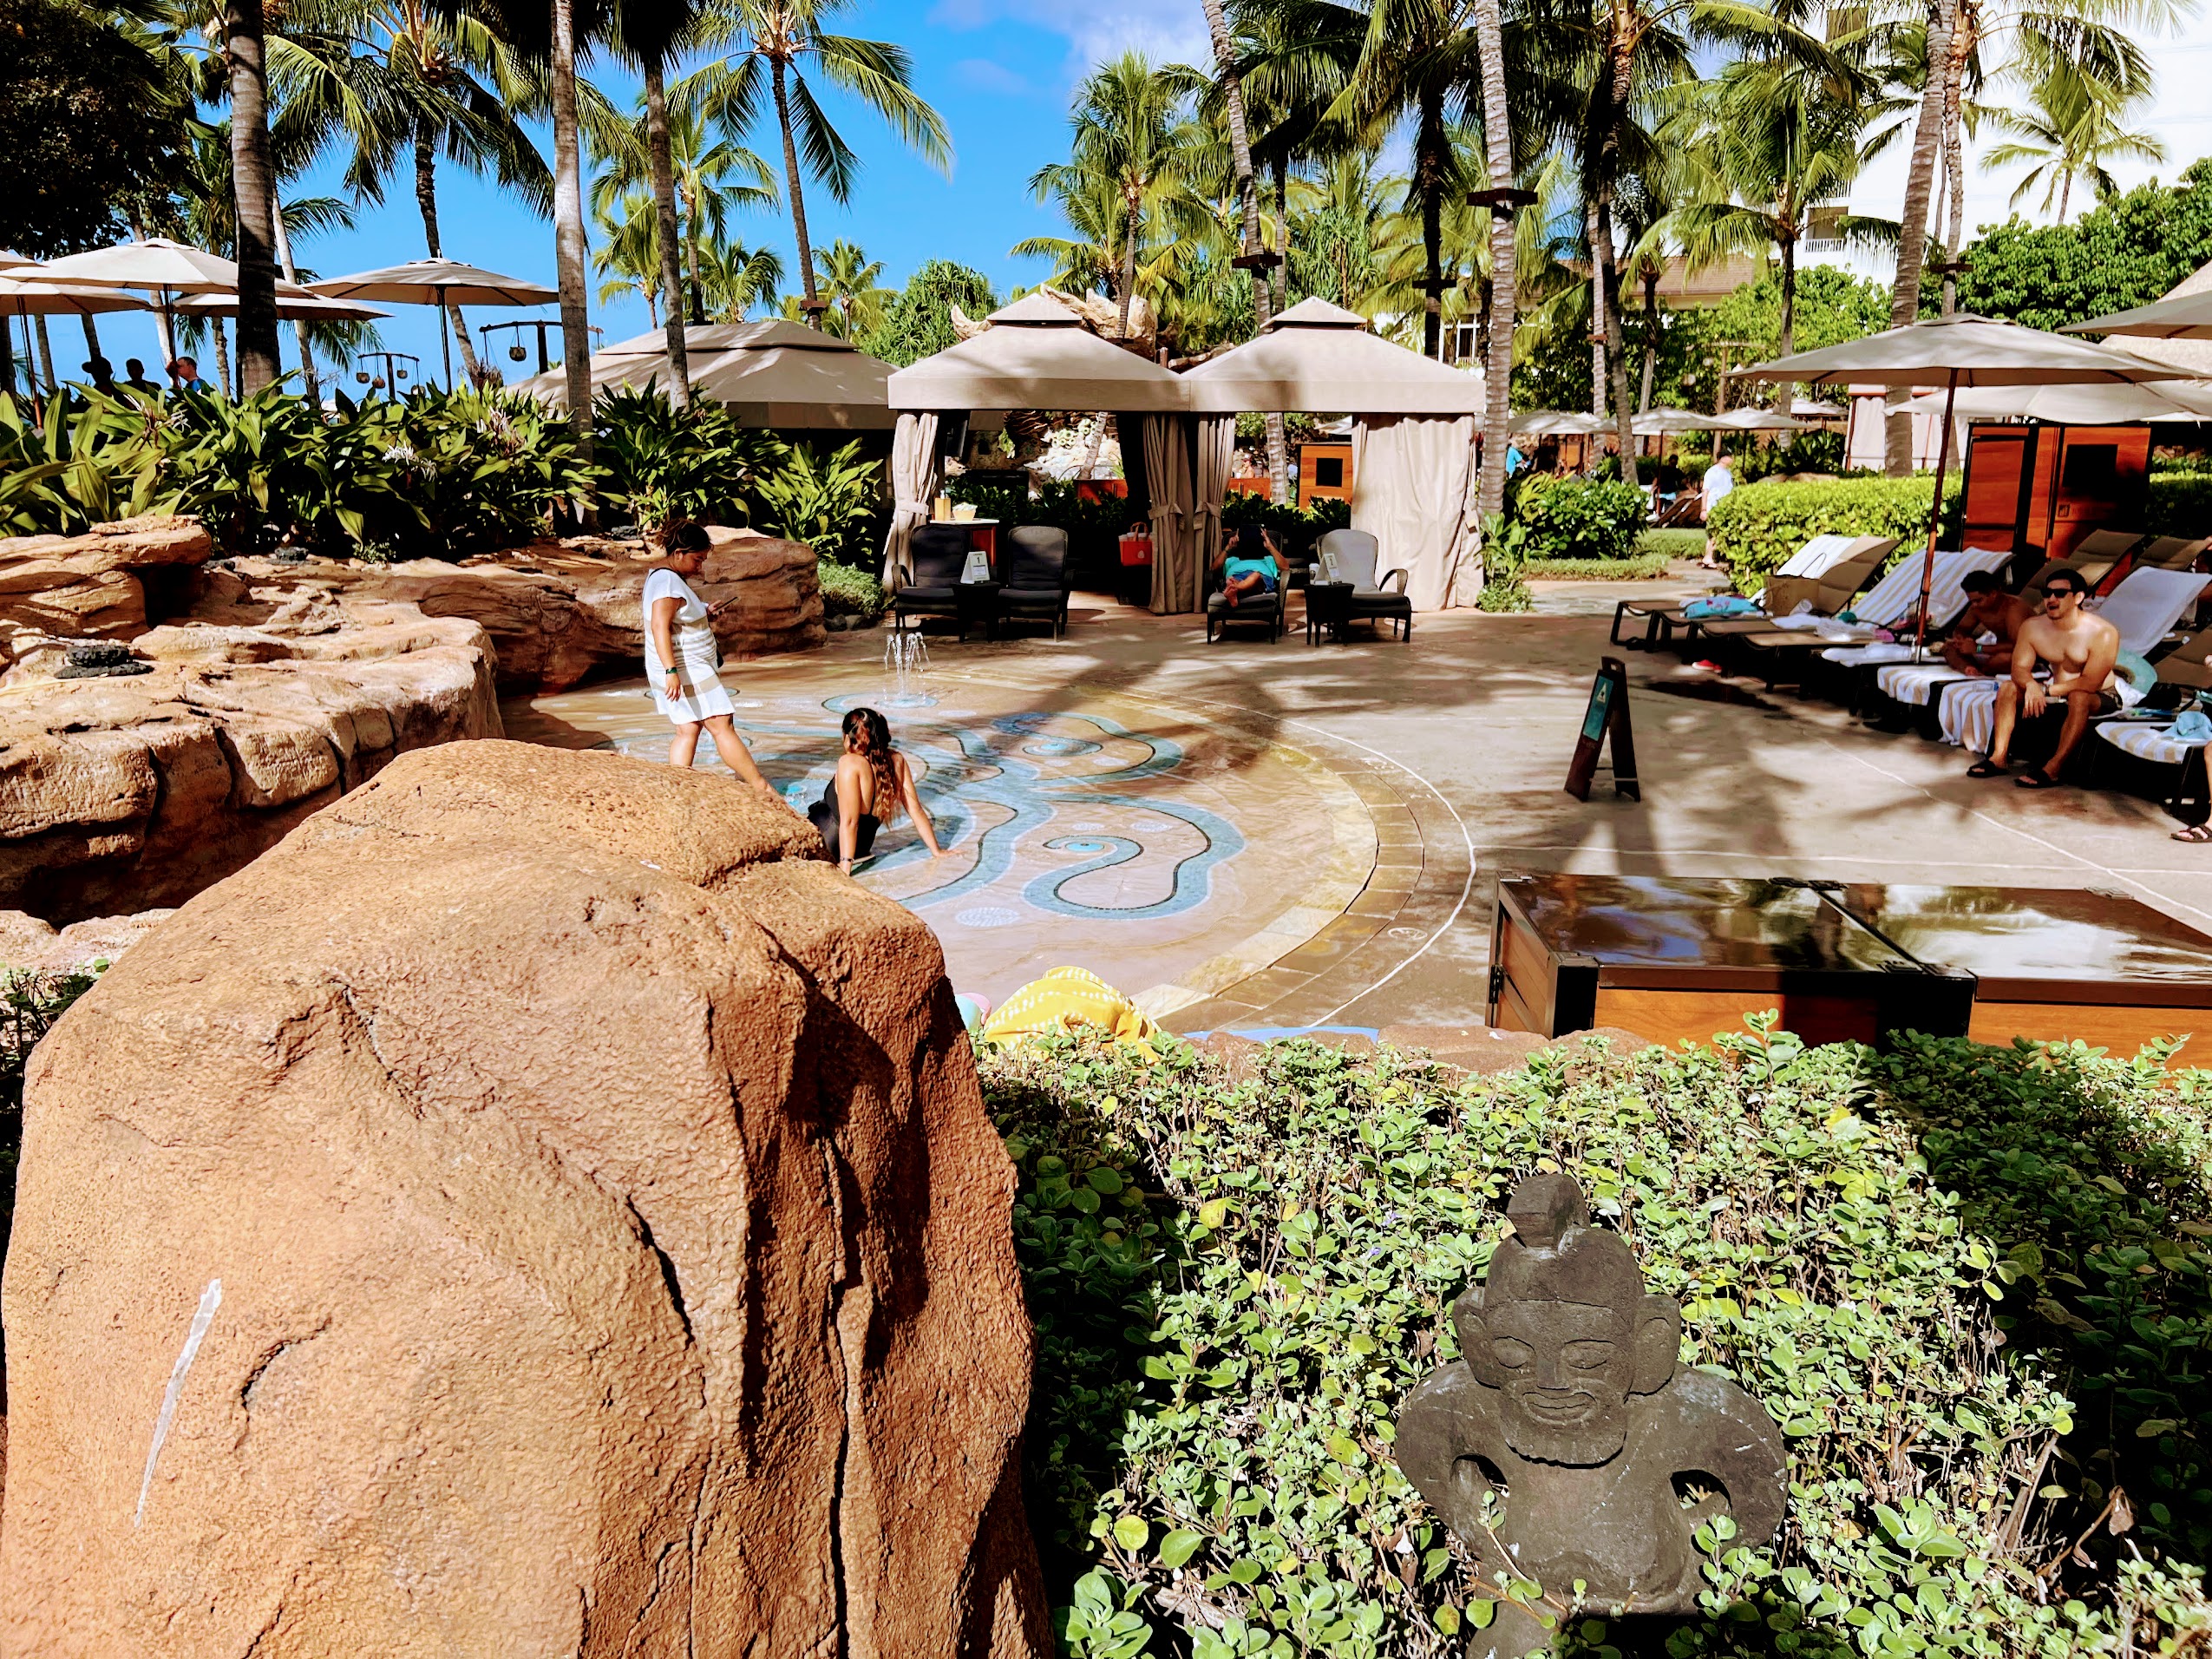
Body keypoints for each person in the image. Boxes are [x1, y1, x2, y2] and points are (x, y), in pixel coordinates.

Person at [645, 521, 779, 799]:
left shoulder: (666, 578)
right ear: (679, 553)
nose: (700, 567)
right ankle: (760, 787)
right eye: (697, 559)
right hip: (684, 666)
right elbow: (660, 626)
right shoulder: (667, 581)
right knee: (721, 723)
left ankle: (676, 791)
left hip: (683, 666)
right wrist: (671, 671)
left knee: (688, 728)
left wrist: (704, 611)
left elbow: (678, 615)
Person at [1966, 567, 2121, 789]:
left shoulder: (2103, 632)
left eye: (2059, 594)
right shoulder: (2033, 627)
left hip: (2099, 695)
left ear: (2078, 597)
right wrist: (2030, 685)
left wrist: (2044, 690)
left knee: (2079, 696)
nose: (2051, 599)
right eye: (2047, 593)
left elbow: (2090, 682)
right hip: (2056, 690)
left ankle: (2053, 768)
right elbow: (2018, 668)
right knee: (2009, 687)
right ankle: (1998, 758)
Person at [808, 705, 944, 872]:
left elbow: (850, 822)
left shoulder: (850, 763)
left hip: (824, 847)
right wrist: (937, 851)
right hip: (862, 851)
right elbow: (916, 810)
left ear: (848, 737)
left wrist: (844, 868)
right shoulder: (896, 761)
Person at [1941, 570, 2035, 679]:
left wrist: (1978, 648)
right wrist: (1961, 639)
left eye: (1978, 600)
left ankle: (1983, 670)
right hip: (1992, 651)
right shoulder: (1977, 608)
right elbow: (1961, 629)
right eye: (1971, 601)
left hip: (2024, 654)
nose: (1974, 605)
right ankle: (1969, 669)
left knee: (2004, 659)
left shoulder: (2013, 609)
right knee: (1948, 647)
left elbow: (2018, 646)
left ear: (1993, 594)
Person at [1216, 523, 1286, 609]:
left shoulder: (1268, 559)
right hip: (1237, 577)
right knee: (1233, 579)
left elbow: (1285, 568)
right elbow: (1214, 568)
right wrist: (1228, 547)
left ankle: (1235, 588)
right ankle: (1235, 588)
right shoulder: (1232, 560)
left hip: (1260, 579)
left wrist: (1270, 546)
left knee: (1255, 576)